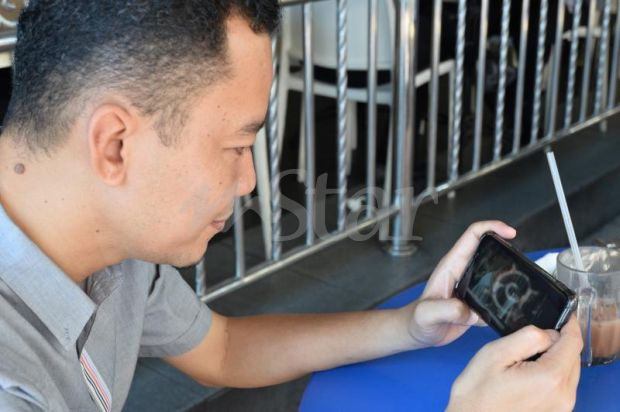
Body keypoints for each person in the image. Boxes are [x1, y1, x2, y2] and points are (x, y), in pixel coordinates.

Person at [0, 1, 582, 411]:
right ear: (115, 145)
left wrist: (411, 326)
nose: (249, 181)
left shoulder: (114, 244)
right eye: (236, 147)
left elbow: (222, 349)